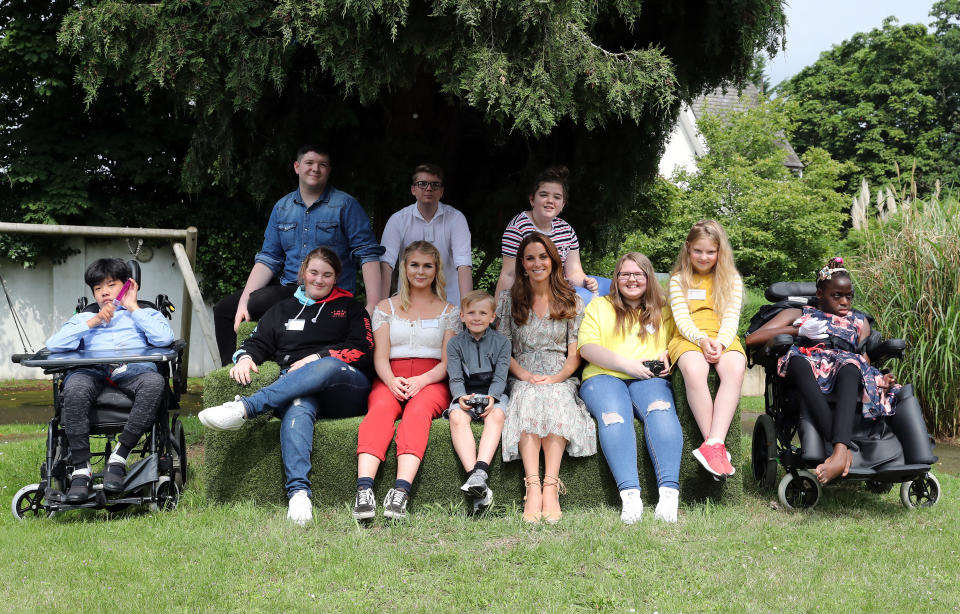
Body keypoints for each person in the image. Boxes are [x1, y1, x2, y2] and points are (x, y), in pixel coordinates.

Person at [198, 247, 374, 526]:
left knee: (324, 366)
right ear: (303, 273)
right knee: (297, 403)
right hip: (298, 387)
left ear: (336, 278)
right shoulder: (281, 309)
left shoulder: (351, 307)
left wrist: (316, 357)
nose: (319, 279)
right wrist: (244, 358)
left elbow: (363, 348)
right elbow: (256, 343)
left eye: (327, 275)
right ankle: (299, 494)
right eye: (314, 272)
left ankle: (246, 407)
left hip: (345, 385)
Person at [212, 143, 383, 366]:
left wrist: (373, 305)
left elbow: (368, 254)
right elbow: (268, 259)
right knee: (225, 309)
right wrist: (243, 303)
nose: (315, 169)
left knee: (258, 301)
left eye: (322, 164)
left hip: (330, 290)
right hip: (292, 289)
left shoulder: (346, 205)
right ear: (297, 167)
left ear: (329, 170)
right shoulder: (282, 207)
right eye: (309, 163)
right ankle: (232, 370)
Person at [745, 256, 900, 484]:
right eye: (837, 295)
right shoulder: (800, 314)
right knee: (798, 362)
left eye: (849, 296)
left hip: (845, 370)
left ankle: (838, 452)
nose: (845, 302)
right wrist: (799, 331)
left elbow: (863, 359)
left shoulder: (859, 321)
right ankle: (842, 452)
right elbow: (753, 340)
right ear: (819, 295)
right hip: (806, 365)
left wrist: (878, 380)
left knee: (850, 365)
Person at [45, 258, 175, 503]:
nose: (104, 292)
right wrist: (92, 322)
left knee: (155, 383)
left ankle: (119, 457)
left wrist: (133, 307)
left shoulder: (146, 313)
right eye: (97, 288)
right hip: (91, 369)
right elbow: (54, 345)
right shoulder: (83, 318)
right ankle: (81, 469)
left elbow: (164, 339)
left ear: (127, 286)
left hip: (132, 368)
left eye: (111, 285)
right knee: (73, 387)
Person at [353, 241, 459, 520]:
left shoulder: (450, 311)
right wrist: (390, 381)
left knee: (417, 413)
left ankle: (400, 491)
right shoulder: (385, 307)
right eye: (414, 265)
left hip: (433, 378)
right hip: (390, 376)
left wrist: (422, 381)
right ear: (404, 267)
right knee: (379, 412)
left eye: (427, 266)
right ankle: (364, 490)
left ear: (437, 270)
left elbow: (447, 363)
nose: (420, 271)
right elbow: (380, 357)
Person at [497, 233, 596, 523]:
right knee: (529, 396)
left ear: (553, 261)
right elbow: (503, 349)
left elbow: (574, 353)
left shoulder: (571, 299)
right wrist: (525, 374)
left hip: (560, 372)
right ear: (522, 264)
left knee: (553, 397)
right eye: (530, 258)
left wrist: (556, 378)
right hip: (521, 371)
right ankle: (533, 486)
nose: (537, 263)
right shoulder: (508, 299)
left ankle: (551, 486)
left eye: (543, 256)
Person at [578, 253, 683, 524]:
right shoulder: (599, 306)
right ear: (616, 278)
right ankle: (630, 496)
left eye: (638, 274)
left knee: (661, 410)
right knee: (615, 416)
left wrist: (668, 355)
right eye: (625, 274)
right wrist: (627, 365)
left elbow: (676, 342)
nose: (631, 279)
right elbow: (587, 347)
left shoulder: (664, 308)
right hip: (603, 376)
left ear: (648, 278)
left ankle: (669, 495)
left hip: (649, 379)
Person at [667, 220, 745, 479]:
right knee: (694, 368)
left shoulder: (731, 279)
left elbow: (731, 318)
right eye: (698, 251)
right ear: (688, 248)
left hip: (723, 336)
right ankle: (715, 447)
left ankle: (714, 443)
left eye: (710, 252)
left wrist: (721, 344)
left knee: (735, 367)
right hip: (689, 338)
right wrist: (701, 340)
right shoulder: (678, 279)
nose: (704, 257)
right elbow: (681, 318)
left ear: (720, 252)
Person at [493, 166, 611, 305]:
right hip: (533, 293)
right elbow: (509, 274)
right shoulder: (518, 228)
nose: (550, 200)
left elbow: (573, 273)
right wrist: (498, 312)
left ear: (563, 205)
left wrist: (587, 283)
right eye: (544, 195)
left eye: (557, 197)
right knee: (587, 300)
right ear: (532, 200)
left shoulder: (567, 230)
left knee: (613, 287)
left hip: (561, 287)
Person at [444, 290, 511, 513]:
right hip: (466, 392)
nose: (477, 317)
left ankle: (480, 471)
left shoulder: (502, 342)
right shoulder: (454, 344)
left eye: (483, 313)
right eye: (471, 312)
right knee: (455, 416)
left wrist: (493, 397)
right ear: (462, 316)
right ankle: (476, 480)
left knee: (498, 415)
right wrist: (460, 397)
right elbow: (455, 376)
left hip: (493, 393)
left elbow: (501, 376)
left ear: (493, 317)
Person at [379, 163, 473, 306]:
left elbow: (464, 265)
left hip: (449, 302)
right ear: (413, 189)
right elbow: (386, 264)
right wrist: (381, 307)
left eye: (435, 185)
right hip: (407, 303)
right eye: (422, 184)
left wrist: (467, 308)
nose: (429, 188)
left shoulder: (456, 218)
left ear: (442, 191)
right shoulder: (398, 220)